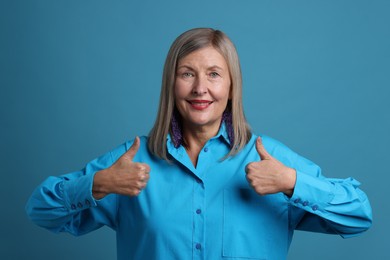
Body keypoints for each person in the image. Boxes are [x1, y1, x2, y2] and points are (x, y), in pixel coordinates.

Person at [26, 28, 372, 260]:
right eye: (187, 73)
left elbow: (359, 215)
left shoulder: (272, 161)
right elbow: (40, 210)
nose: (199, 89)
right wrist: (98, 184)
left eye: (214, 74)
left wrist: (292, 183)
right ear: (171, 84)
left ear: (232, 86)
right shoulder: (130, 163)